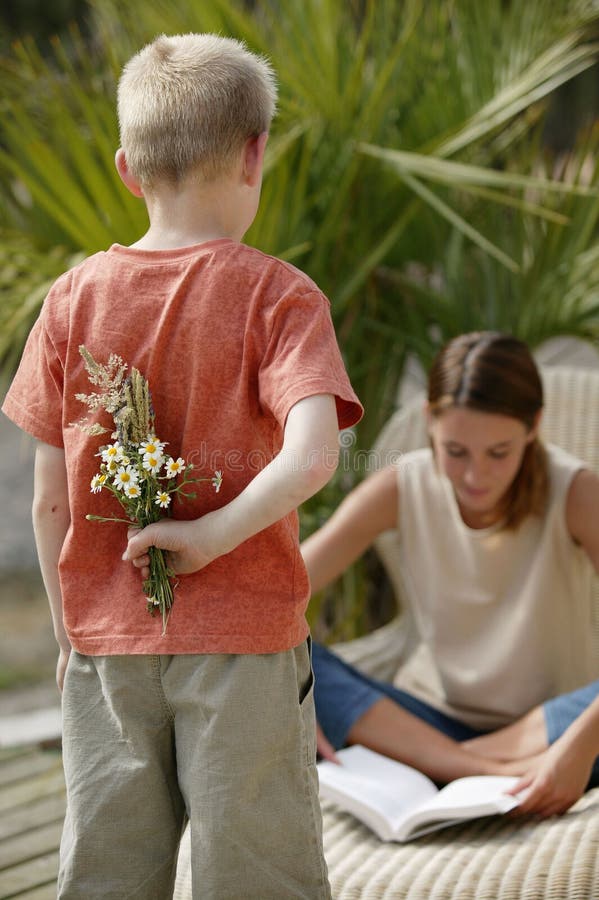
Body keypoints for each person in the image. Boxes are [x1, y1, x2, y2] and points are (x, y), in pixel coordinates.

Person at [2, 34, 362, 899]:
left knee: (106, 875)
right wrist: (210, 535)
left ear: (128, 169)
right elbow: (313, 453)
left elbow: (51, 505)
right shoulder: (279, 296)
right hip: (244, 648)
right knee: (257, 876)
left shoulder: (70, 300)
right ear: (254, 153)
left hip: (104, 650)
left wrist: (70, 634)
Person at [301, 331, 599, 815]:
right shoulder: (403, 486)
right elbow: (277, 594)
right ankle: (482, 770)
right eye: (455, 451)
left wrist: (582, 747)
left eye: (498, 453)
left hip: (553, 727)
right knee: (291, 659)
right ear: (429, 423)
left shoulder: (577, 493)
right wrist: (291, 687)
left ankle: (439, 766)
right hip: (427, 719)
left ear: (533, 426)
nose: (475, 477)